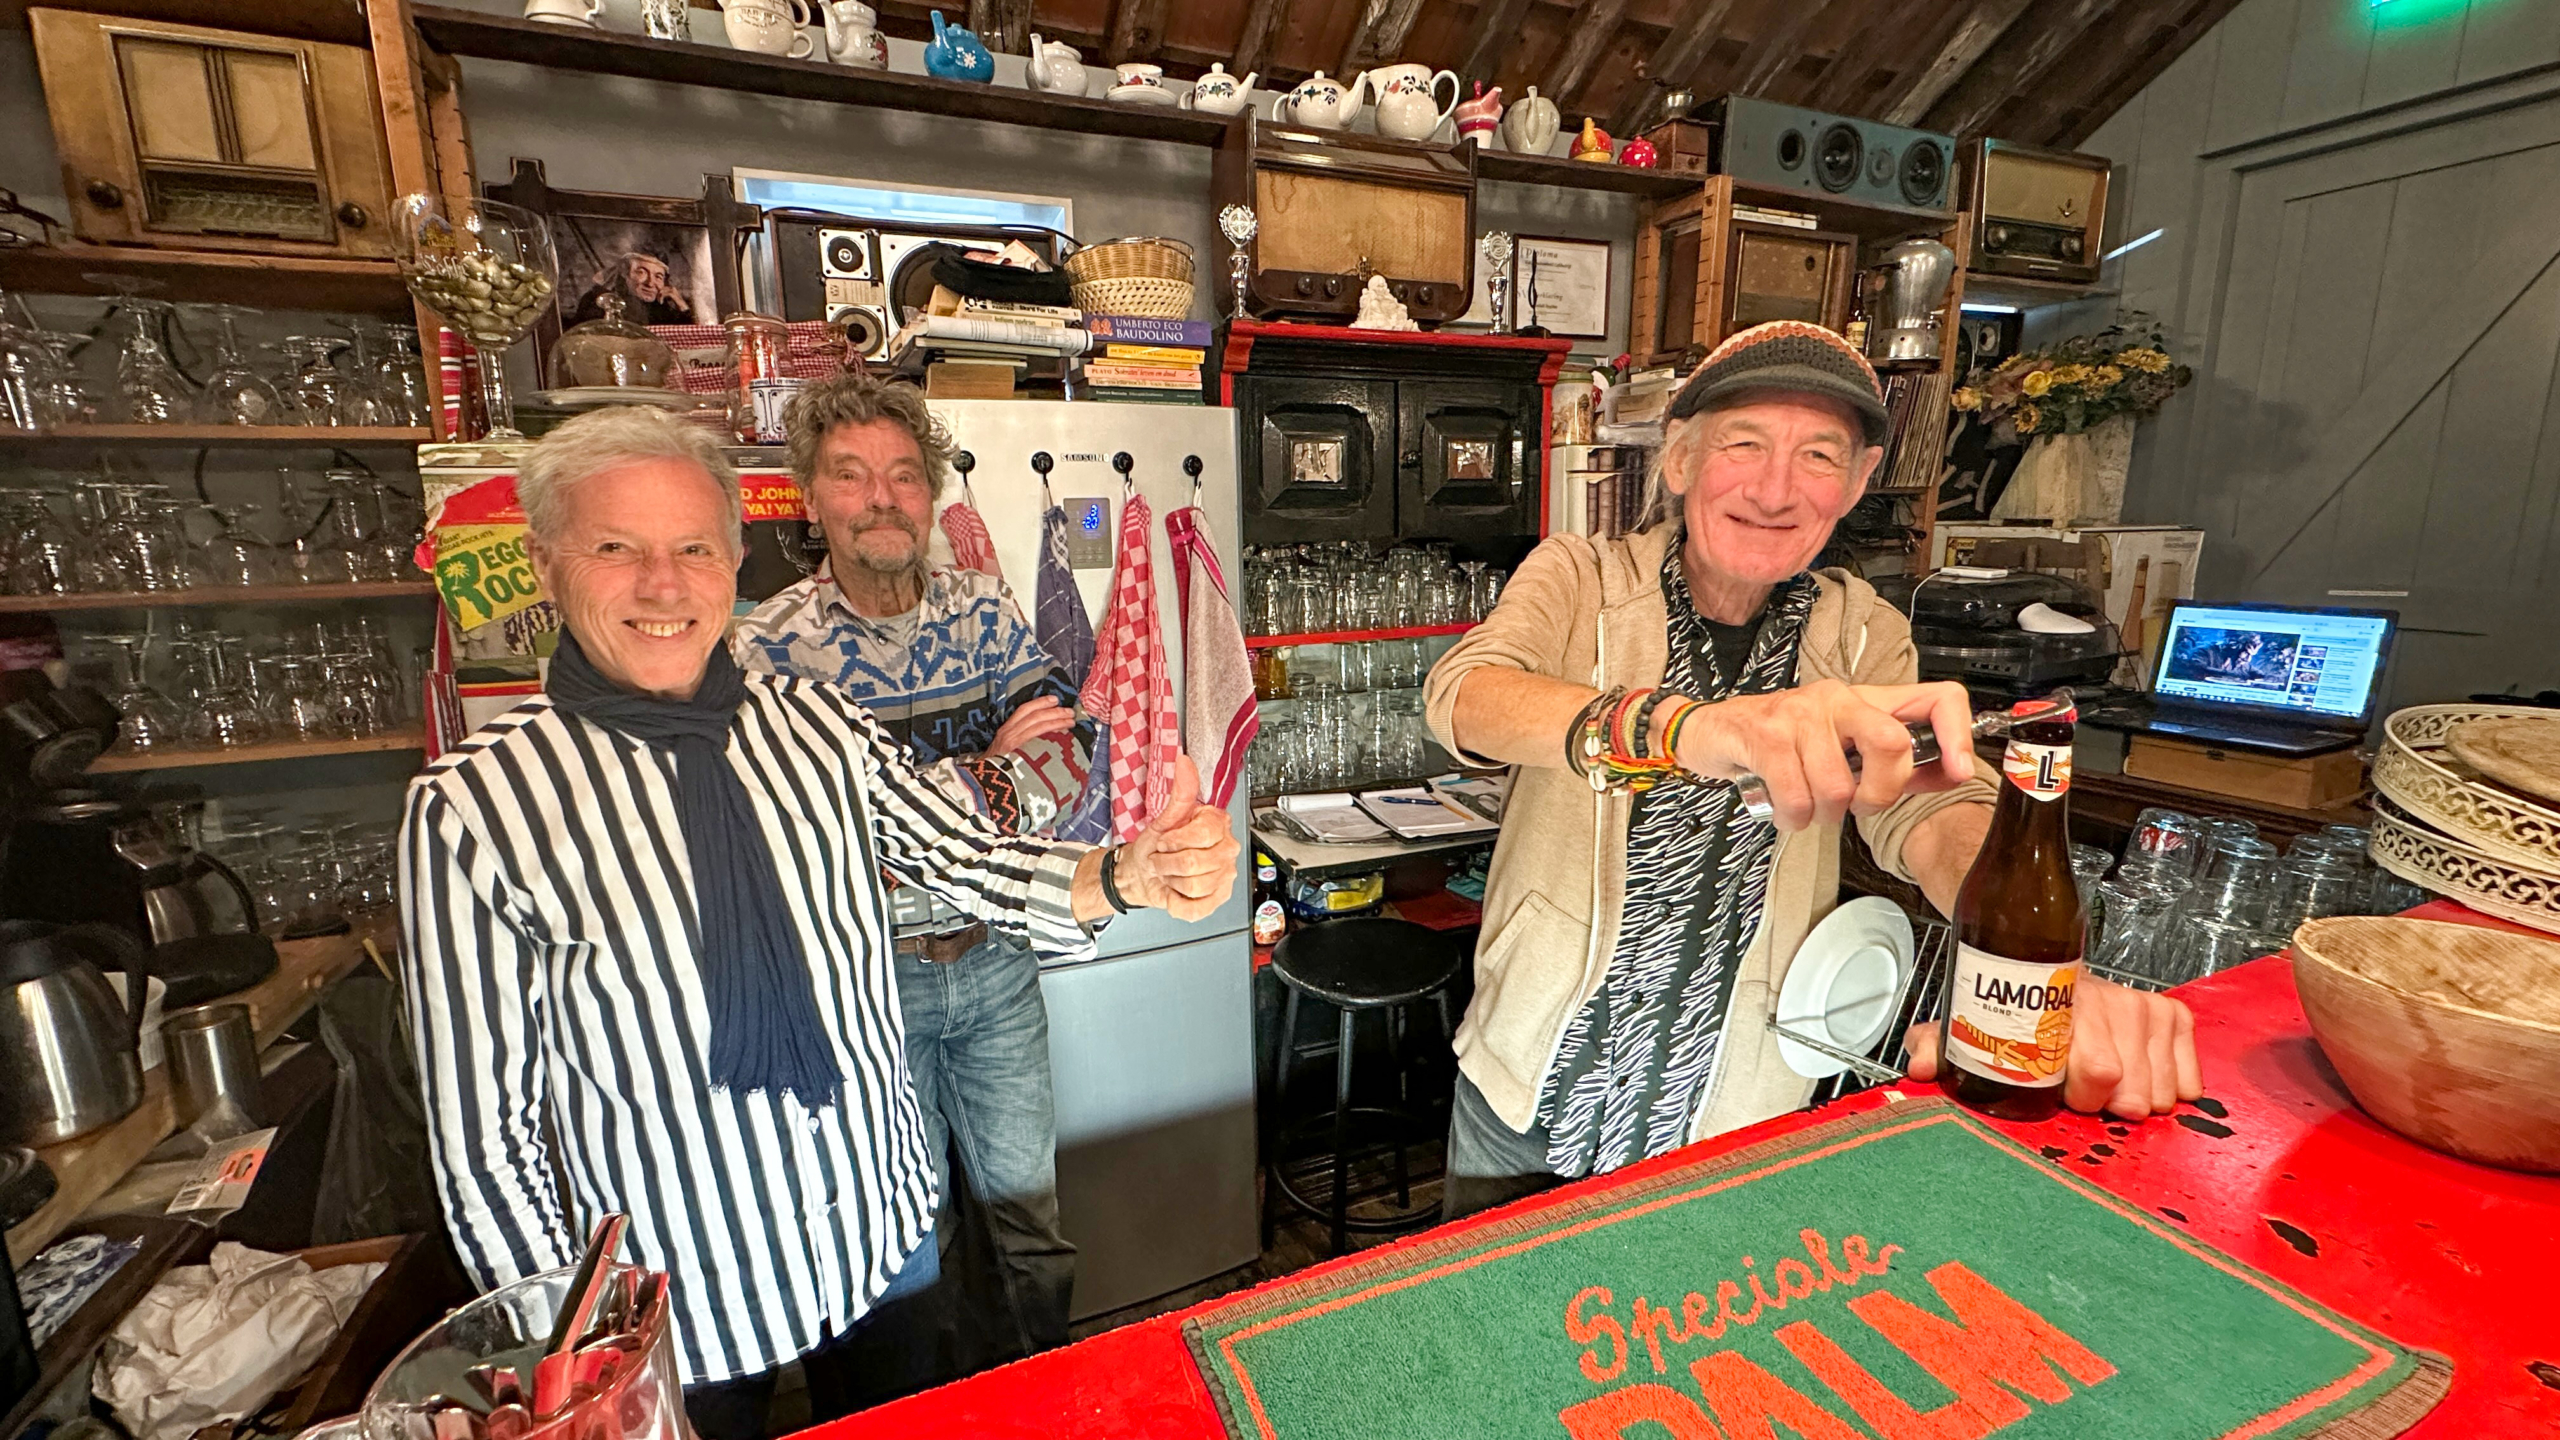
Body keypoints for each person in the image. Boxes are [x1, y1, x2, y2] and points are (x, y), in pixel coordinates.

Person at [399, 406, 1238, 1440]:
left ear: (732, 555)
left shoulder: (814, 722)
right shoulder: (476, 805)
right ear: (545, 561)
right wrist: (564, 1352)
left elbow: (966, 857)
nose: (663, 585)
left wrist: (1126, 876)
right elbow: (488, 1142)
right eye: (616, 549)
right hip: (672, 1298)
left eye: (693, 548)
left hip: (874, 1241)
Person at [1421, 321, 2201, 1220]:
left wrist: (2025, 960)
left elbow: (1930, 812)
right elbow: (1466, 696)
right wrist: (1693, 729)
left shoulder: (1864, 632)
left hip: (1731, 1112)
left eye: (1819, 455)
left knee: (1693, 1349)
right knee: (1490, 1342)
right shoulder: (1581, 576)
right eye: (1743, 444)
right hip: (1530, 1090)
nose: (1776, 488)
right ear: (1678, 461)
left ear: (1859, 482)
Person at [732, 373, 1089, 1372]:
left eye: (900, 475)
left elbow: (1069, 760)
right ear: (811, 499)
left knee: (1030, 1223)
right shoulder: (765, 648)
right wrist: (986, 770)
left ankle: (1040, 1397)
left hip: (998, 961)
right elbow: (809, 837)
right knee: (900, 1237)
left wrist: (909, 803)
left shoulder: (982, 614)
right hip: (864, 984)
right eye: (850, 476)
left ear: (929, 496)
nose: (879, 496)